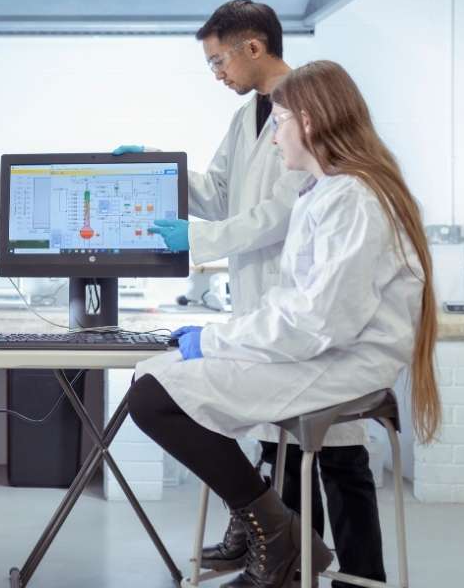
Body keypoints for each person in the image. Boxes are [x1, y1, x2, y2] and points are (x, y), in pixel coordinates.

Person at [126, 60, 441, 588]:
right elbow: (303, 304)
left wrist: (218, 338)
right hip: (318, 345)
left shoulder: (354, 199)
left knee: (153, 397)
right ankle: (279, 533)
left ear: (311, 122)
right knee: (149, 375)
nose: (274, 139)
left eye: (281, 123)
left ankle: (277, 535)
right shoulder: (325, 191)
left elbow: (319, 320)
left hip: (340, 359)